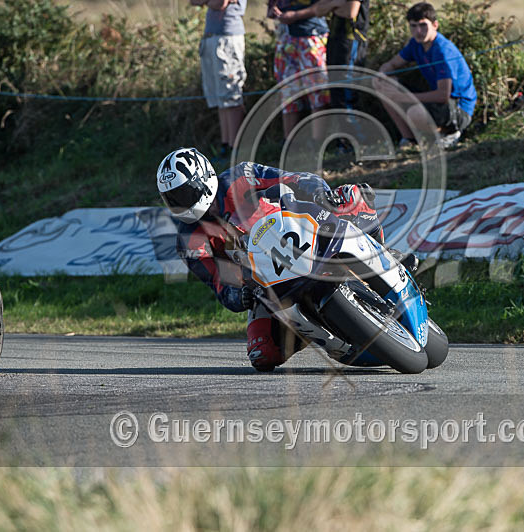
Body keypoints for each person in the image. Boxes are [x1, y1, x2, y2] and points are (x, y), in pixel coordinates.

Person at [156, 147, 389, 372]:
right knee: (263, 354)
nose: (180, 204)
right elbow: (219, 283)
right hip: (263, 282)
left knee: (345, 200)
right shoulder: (188, 240)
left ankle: (379, 248)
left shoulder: (240, 176)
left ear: (203, 179)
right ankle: (320, 328)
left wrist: (319, 194)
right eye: (172, 198)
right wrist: (240, 295)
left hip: (302, 232)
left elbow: (297, 180)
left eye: (184, 194)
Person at [377, 2, 477, 150]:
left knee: (415, 113)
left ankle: (449, 133)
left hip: (458, 108)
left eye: (423, 25)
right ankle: (409, 140)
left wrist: (403, 97)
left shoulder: (443, 51)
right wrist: (381, 74)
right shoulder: (415, 44)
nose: (418, 31)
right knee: (381, 84)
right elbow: (392, 65)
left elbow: (443, 95)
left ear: (435, 25)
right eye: (413, 26)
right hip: (438, 103)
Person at [277, 0, 370, 111]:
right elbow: (318, 9)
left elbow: (349, 12)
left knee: (346, 100)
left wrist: (330, 5)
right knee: (336, 99)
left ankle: (359, 128)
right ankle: (344, 129)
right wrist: (334, 4)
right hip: (335, 41)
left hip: (351, 43)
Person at [190, 0, 247, 162]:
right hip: (211, 37)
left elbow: (220, 3)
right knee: (219, 97)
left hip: (228, 37)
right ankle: (225, 145)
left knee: (230, 95)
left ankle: (235, 149)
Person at [267, 0, 331, 137]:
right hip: (285, 40)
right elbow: (271, 8)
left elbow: (324, 6)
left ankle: (318, 144)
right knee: (288, 95)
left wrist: (295, 15)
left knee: (318, 92)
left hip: (311, 37)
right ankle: (289, 145)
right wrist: (273, 11)